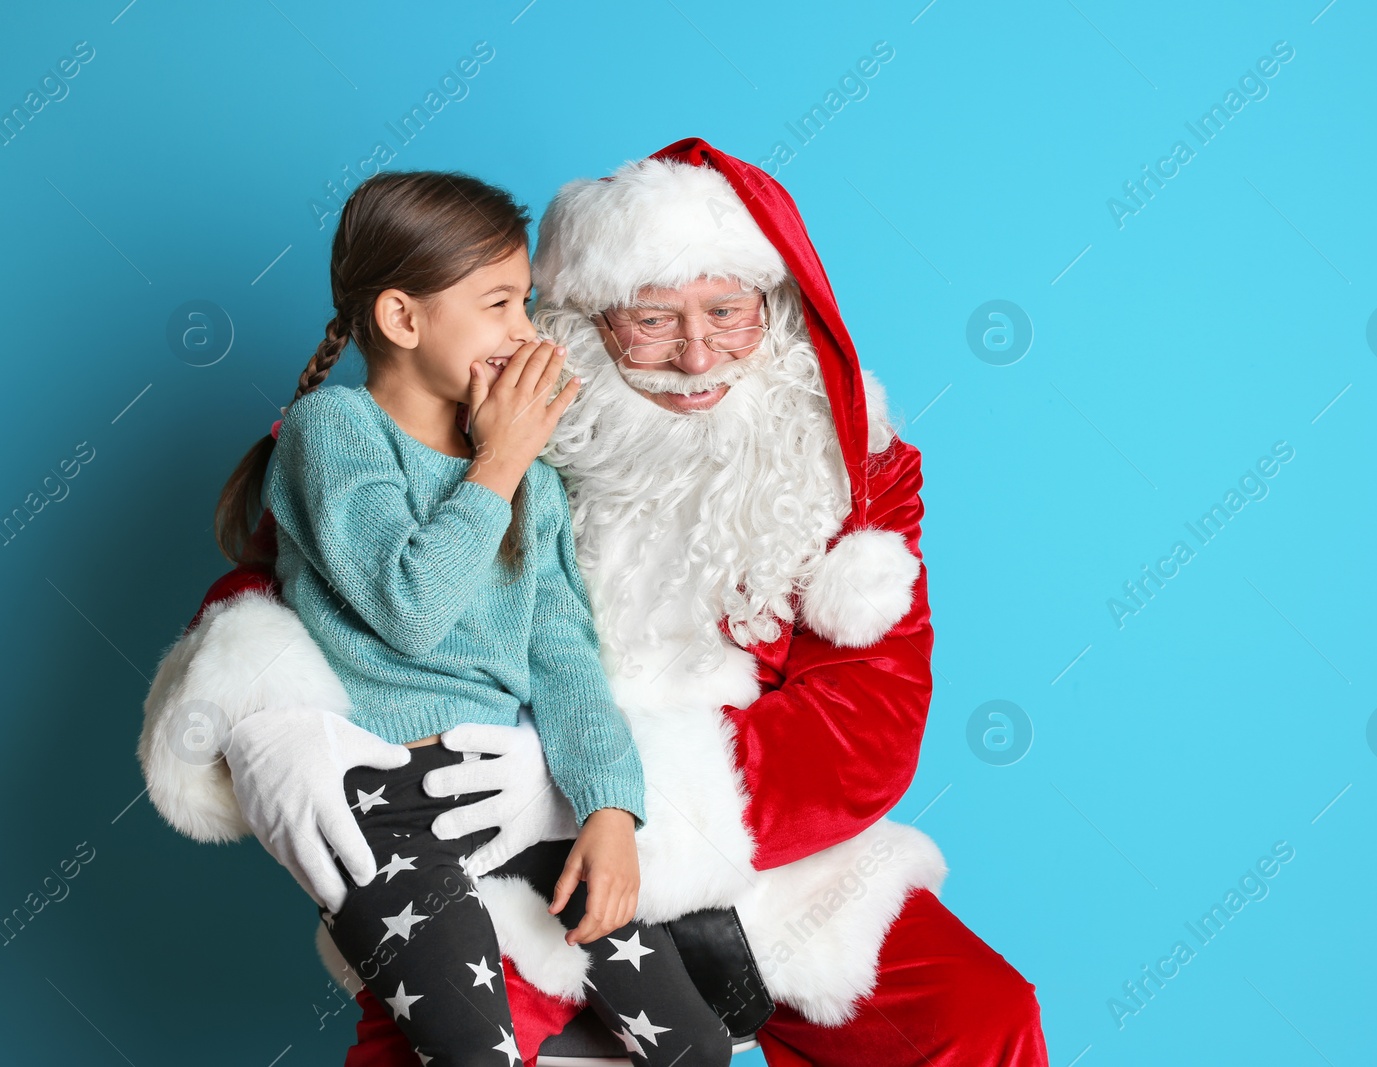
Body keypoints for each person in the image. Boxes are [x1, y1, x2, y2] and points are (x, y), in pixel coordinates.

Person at [139, 140, 1048, 1066]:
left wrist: (598, 800)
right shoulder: (514, 422)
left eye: (729, 312)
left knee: (980, 1020)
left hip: (757, 860)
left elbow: (870, 730)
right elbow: (292, 569)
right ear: (583, 322)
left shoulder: (851, 467)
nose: (697, 355)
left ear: (774, 308)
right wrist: (268, 719)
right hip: (486, 838)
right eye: (651, 320)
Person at [197, 169, 733, 1067]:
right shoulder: (334, 432)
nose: (524, 332)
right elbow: (411, 607)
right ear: (404, 320)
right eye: (497, 304)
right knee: (471, 1053)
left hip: (514, 795)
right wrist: (502, 458)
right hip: (384, 809)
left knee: (695, 1047)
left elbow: (564, 656)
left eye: (523, 302)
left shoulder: (536, 482)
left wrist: (608, 809)